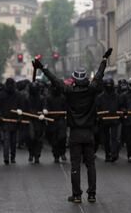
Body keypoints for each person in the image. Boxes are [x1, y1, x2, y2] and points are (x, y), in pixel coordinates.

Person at [32, 48, 112, 204]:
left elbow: (55, 81)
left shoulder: (69, 91)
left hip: (75, 133)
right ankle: (92, 194)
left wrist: (42, 67)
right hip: (89, 133)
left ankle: (76, 195)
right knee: (90, 165)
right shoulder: (92, 90)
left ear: (74, 79)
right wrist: (103, 60)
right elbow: (99, 75)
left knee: (75, 165)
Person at [0, 78, 24, 165]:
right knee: (8, 140)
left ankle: (10, 157)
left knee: (11, 141)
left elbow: (21, 106)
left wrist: (20, 116)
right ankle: (8, 157)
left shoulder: (15, 95)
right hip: (6, 120)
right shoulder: (5, 95)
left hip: (11, 120)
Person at [95, 78, 121, 162]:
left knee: (114, 138)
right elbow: (97, 108)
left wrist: (122, 112)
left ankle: (113, 153)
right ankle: (107, 154)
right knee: (105, 139)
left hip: (115, 120)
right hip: (104, 120)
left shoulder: (117, 96)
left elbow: (121, 106)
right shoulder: (100, 97)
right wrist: (99, 115)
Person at [45, 84, 68, 163]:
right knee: (54, 139)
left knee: (62, 138)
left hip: (61, 120)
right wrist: (46, 110)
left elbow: (66, 107)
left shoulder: (63, 98)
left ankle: (62, 153)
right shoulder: (49, 98)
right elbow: (46, 106)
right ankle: (56, 155)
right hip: (52, 120)